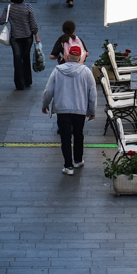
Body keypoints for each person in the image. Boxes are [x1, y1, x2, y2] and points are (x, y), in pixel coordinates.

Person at [40, 41, 95, 175]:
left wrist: (45, 104)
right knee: (78, 135)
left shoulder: (58, 70)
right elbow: (92, 94)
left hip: (62, 109)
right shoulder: (86, 72)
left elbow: (48, 91)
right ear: (80, 57)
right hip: (80, 109)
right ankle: (78, 160)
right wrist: (91, 111)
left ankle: (68, 166)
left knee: (65, 137)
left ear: (68, 57)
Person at [0, 0, 39, 91]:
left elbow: (1, 21)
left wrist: (10, 16)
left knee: (17, 59)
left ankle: (19, 83)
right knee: (26, 57)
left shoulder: (9, 8)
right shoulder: (28, 7)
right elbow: (33, 24)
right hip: (27, 37)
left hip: (15, 37)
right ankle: (28, 80)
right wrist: (36, 35)